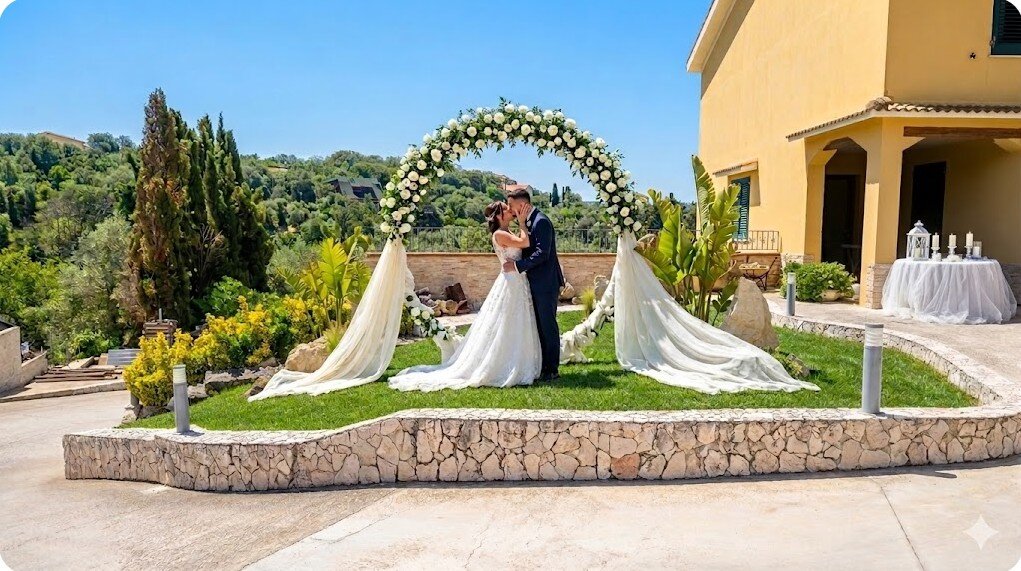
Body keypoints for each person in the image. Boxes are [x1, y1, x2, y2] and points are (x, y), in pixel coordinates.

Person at [387, 201, 541, 391]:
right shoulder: (500, 234)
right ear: (499, 216)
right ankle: (503, 364)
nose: (510, 210)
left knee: (513, 322)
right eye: (506, 208)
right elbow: (525, 242)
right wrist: (524, 223)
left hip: (517, 281)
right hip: (511, 282)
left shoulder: (506, 232)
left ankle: (515, 359)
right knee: (507, 321)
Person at [503, 188, 564, 381]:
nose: (511, 210)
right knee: (539, 326)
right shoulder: (530, 222)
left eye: (512, 206)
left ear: (522, 205)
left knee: (548, 326)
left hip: (546, 283)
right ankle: (543, 366)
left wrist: (517, 266)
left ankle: (552, 369)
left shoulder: (541, 222)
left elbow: (542, 253)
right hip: (536, 282)